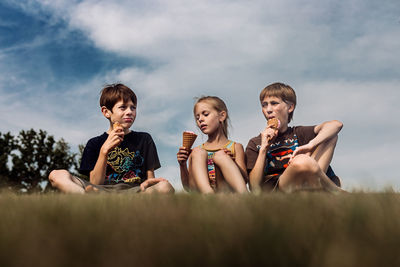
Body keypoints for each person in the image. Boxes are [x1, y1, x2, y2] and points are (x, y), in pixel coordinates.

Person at [49, 83, 174, 194]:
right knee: (56, 174)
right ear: (106, 112)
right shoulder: (94, 143)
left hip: (134, 191)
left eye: (133, 107)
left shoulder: (144, 139)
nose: (130, 112)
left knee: (165, 187)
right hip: (100, 190)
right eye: (123, 107)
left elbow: (150, 176)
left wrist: (150, 184)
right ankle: (85, 199)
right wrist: (104, 150)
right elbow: (95, 182)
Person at [245, 82, 344, 193]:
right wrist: (263, 148)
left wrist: (311, 144)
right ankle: (334, 190)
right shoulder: (255, 143)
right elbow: (254, 187)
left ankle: (316, 187)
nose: (268, 109)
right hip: (279, 188)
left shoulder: (298, 133)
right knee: (301, 160)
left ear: (290, 107)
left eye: (274, 103)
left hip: (306, 181)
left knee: (329, 137)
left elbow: (336, 125)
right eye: (264, 105)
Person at [177, 96, 248, 193]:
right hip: (202, 197)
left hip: (224, 193)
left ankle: (244, 197)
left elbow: (244, 180)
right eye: (197, 118)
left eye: (205, 114)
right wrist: (182, 165)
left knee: (221, 155)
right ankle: (208, 194)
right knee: (198, 152)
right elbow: (188, 188)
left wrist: (232, 163)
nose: (200, 119)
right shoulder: (195, 152)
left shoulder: (236, 147)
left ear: (222, 116)